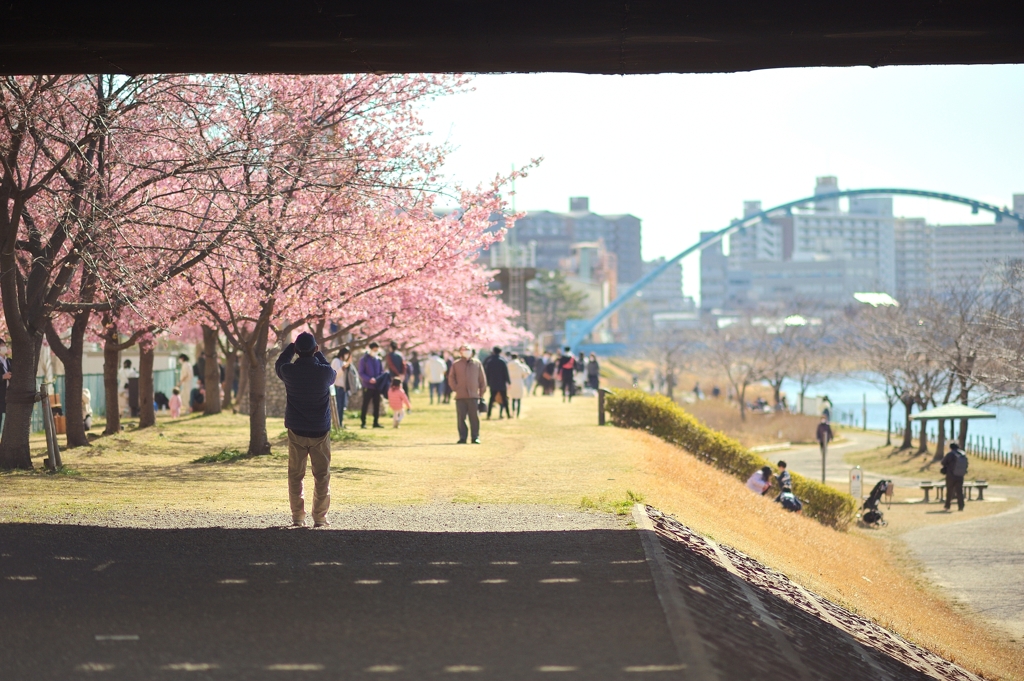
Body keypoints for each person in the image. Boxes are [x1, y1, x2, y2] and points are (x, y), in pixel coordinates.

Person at [276, 332, 336, 528]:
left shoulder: (289, 371)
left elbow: (280, 363)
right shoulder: (324, 373)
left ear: (296, 351)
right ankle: (319, 517)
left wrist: (290, 348)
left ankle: (298, 517)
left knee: (295, 475)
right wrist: (317, 354)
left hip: (297, 430)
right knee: (322, 475)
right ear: (315, 349)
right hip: (320, 430)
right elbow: (330, 369)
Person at [448, 344, 486, 444]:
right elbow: (451, 378)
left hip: (474, 396)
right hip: (460, 396)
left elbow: (482, 380)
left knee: (474, 418)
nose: (466, 351)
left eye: (468, 350)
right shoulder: (456, 364)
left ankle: (475, 437)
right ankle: (462, 437)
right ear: (460, 352)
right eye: (464, 350)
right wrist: (456, 388)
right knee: (461, 418)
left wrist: (481, 393)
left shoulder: (477, 363)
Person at [330, 346, 360, 430]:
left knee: (342, 407)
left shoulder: (343, 362)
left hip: (343, 388)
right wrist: (343, 367)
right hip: (337, 387)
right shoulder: (336, 361)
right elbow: (334, 374)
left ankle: (340, 424)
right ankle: (337, 425)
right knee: (338, 406)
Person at [358, 342, 385, 429]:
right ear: (370, 349)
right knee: (365, 404)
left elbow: (381, 372)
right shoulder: (364, 360)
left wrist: (378, 379)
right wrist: (369, 379)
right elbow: (361, 372)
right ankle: (363, 422)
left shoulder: (378, 359)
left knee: (376, 404)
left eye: (377, 350)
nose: (375, 351)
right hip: (367, 386)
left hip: (376, 386)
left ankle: (376, 422)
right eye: (374, 350)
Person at [483, 346, 511, 419]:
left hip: (493, 383)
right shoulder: (502, 361)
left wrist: (487, 382)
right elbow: (506, 373)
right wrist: (508, 381)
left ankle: (489, 415)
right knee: (504, 399)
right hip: (501, 383)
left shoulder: (490, 361)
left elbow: (487, 373)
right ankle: (508, 414)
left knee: (491, 399)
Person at [941, 441, 969, 512]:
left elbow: (943, 462)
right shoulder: (963, 454)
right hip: (960, 476)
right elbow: (966, 465)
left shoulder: (950, 454)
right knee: (959, 491)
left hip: (951, 475)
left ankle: (947, 506)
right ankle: (961, 506)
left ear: (951, 447)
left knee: (949, 491)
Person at [507, 353, 530, 418]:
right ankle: (518, 413)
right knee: (519, 398)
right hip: (519, 382)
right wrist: (523, 377)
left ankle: (513, 411)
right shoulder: (520, 365)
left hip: (511, 382)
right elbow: (526, 372)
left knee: (513, 398)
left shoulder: (508, 365)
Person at [816, 416, 833, 483]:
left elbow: (830, 432)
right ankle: (822, 454)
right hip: (821, 440)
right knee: (821, 448)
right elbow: (817, 432)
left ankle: (824, 454)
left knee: (825, 448)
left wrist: (831, 437)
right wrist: (818, 438)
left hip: (826, 439)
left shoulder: (827, 425)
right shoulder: (819, 426)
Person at [0, 339, 12, 433]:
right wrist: (2, 377)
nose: (4, 347)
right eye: (1, 345)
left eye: (4, 345)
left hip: (10, 394)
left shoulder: (9, 361)